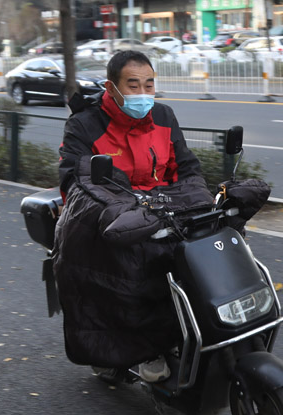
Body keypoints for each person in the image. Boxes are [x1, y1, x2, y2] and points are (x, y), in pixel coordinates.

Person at [53, 50, 211, 382]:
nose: (143, 94)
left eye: (149, 84)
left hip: (166, 212)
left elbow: (188, 169)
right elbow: (76, 184)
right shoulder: (84, 125)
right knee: (134, 265)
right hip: (108, 218)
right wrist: (122, 209)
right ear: (112, 88)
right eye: (133, 85)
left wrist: (202, 201)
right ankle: (142, 348)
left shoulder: (164, 116)